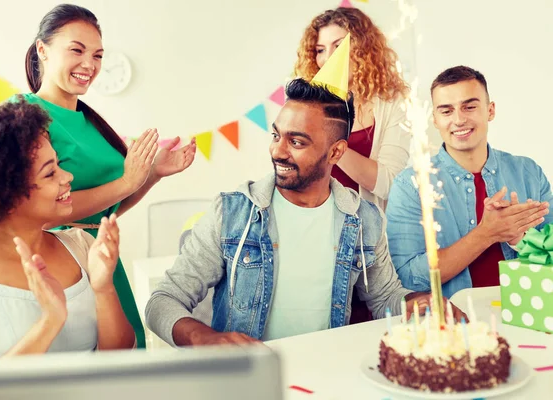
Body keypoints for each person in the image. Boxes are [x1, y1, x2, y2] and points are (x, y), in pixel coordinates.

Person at [145, 79, 465, 346]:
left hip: (324, 377)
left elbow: (384, 297)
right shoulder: (231, 213)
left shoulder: (364, 220)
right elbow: (162, 301)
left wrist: (415, 303)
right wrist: (203, 338)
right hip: (249, 383)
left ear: (336, 152)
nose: (277, 150)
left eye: (296, 142)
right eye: (276, 135)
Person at [21, 4, 197, 348]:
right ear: (42, 49)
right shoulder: (23, 115)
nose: (90, 64)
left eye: (98, 55)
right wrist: (128, 181)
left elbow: (104, 212)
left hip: (103, 261)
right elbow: (36, 211)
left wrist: (152, 174)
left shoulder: (89, 121)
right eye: (77, 50)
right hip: (58, 268)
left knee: (126, 359)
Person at [0, 101, 135, 357]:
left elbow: (122, 355)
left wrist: (104, 288)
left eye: (58, 165)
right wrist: (50, 319)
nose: (67, 177)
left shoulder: (81, 244)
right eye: (50, 174)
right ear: (6, 193)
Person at [386, 66, 553, 298]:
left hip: (527, 313)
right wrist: (486, 234)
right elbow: (409, 277)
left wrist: (520, 240)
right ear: (434, 119)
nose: (459, 119)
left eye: (470, 107)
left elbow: (551, 255)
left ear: (490, 110)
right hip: (459, 325)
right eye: (446, 111)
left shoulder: (528, 173)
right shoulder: (411, 185)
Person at [295, 6, 410, 211]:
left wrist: (326, 138)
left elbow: (391, 184)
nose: (328, 57)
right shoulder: (304, 105)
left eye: (338, 46)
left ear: (363, 49)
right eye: (320, 50)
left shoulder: (393, 104)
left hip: (365, 232)